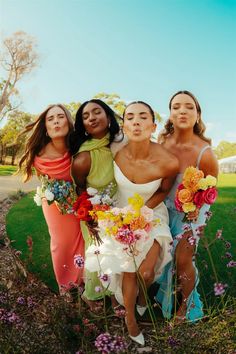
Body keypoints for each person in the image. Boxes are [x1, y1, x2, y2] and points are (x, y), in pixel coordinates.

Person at [85, 101, 179, 345]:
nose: (136, 121)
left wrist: (140, 213)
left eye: (143, 117)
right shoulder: (114, 153)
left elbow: (163, 191)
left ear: (153, 125)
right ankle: (130, 319)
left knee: (146, 272)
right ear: (124, 125)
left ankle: (140, 298)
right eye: (130, 117)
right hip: (120, 214)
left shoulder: (168, 160)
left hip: (152, 213)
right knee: (128, 266)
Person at [156, 90, 219, 323]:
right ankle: (161, 297)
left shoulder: (206, 152)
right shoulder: (161, 144)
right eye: (176, 106)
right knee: (163, 258)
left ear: (197, 114)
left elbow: (211, 190)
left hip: (191, 214)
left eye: (189, 106)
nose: (182, 110)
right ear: (170, 113)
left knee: (183, 260)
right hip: (162, 209)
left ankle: (185, 308)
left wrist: (196, 208)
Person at [18, 104, 84, 296]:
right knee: (60, 243)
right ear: (45, 128)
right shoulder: (39, 153)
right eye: (51, 118)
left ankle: (84, 283)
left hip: (81, 202)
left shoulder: (78, 146)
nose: (56, 121)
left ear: (68, 122)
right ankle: (65, 286)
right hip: (55, 205)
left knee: (83, 241)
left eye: (61, 117)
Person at [69, 99, 121, 313]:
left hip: (123, 207)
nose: (92, 117)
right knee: (98, 254)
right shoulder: (83, 157)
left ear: (108, 117)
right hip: (94, 213)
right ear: (83, 125)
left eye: (97, 112)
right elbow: (80, 190)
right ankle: (91, 293)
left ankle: (117, 294)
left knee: (121, 254)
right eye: (86, 116)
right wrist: (90, 217)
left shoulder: (122, 143)